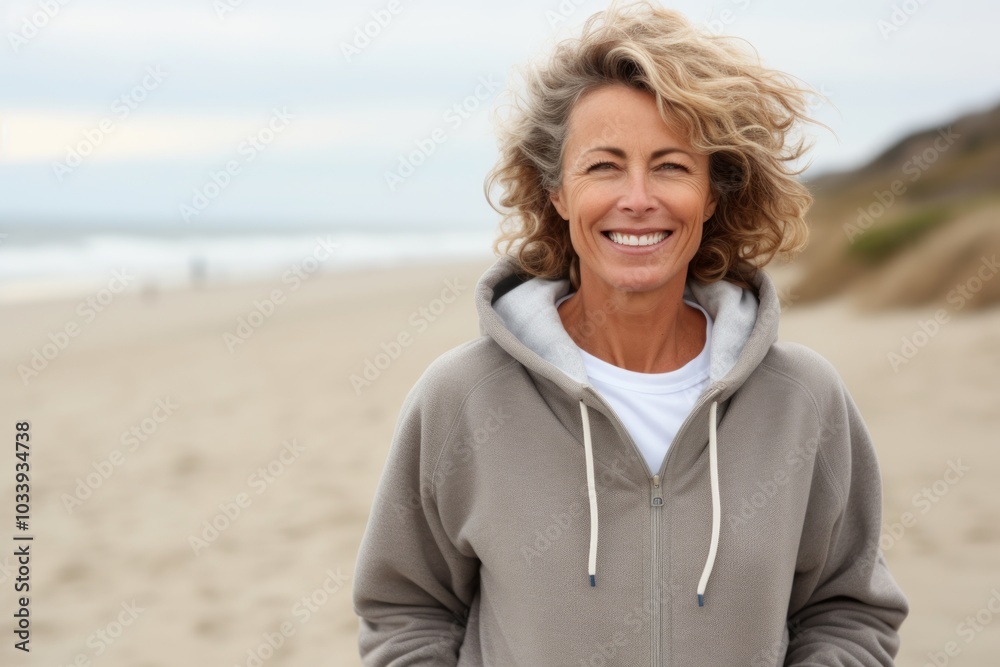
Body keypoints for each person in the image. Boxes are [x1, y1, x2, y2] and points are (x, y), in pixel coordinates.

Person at [352, 2, 909, 664]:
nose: (637, 197)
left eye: (671, 165)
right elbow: (405, 608)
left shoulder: (803, 400)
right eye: (604, 165)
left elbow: (846, 608)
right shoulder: (464, 397)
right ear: (556, 191)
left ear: (712, 192)